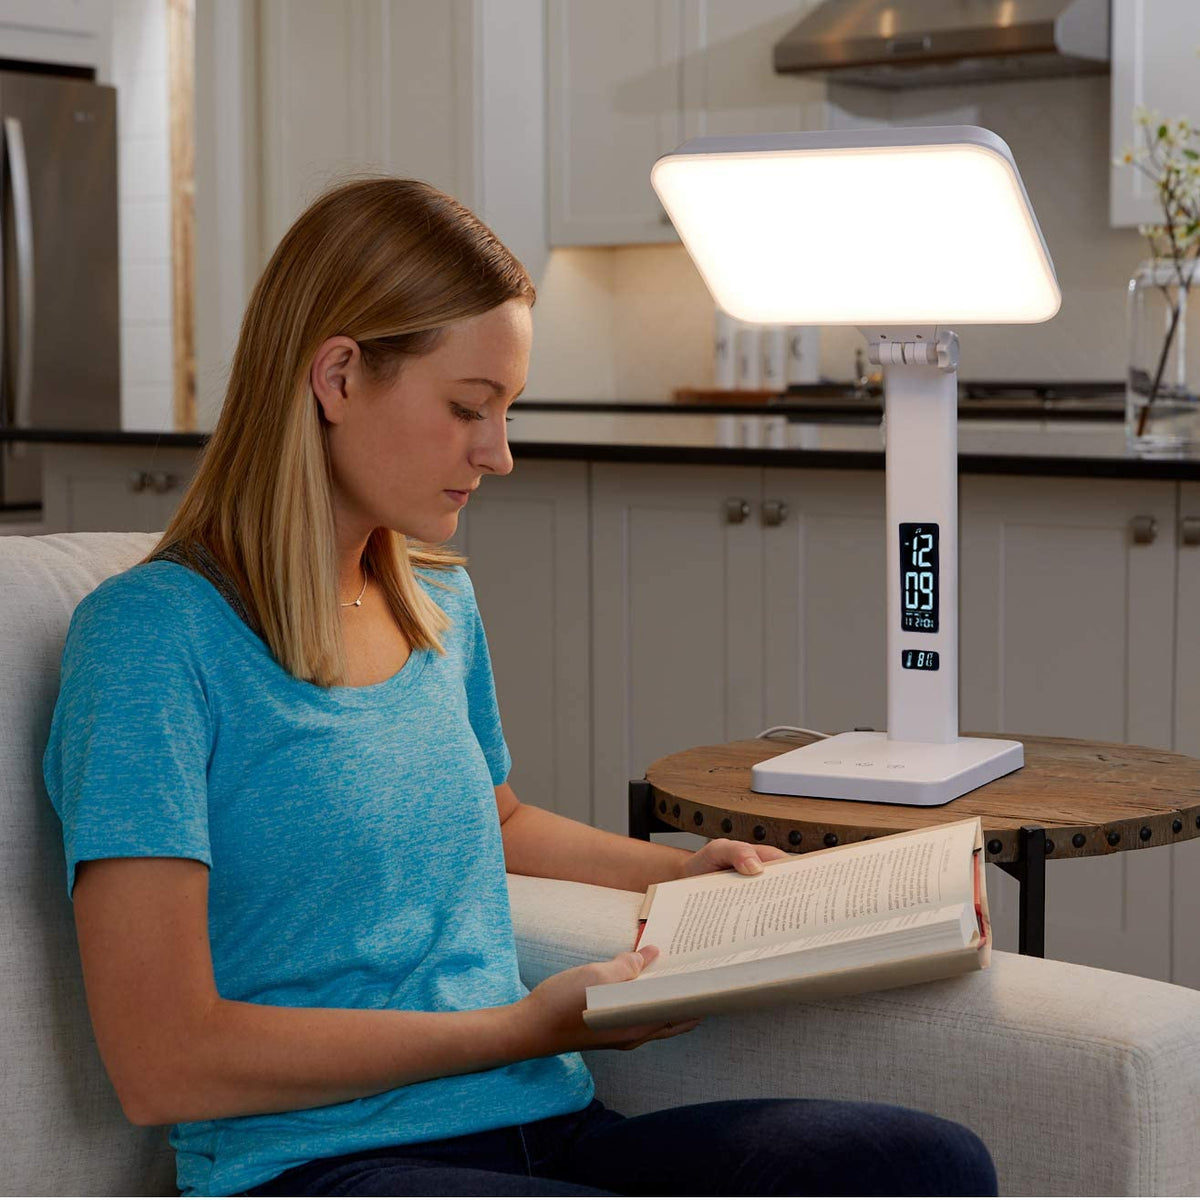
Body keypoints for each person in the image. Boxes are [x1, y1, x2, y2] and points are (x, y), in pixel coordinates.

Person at [43, 176, 999, 1198]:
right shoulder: (150, 644)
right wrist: (517, 1025)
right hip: (318, 1165)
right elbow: (162, 1063)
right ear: (338, 377)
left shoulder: (433, 605)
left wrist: (677, 877)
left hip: (543, 1125)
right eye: (468, 409)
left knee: (927, 1167)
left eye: (506, 410)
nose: (497, 454)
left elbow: (491, 822)